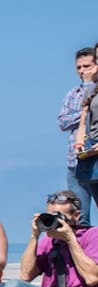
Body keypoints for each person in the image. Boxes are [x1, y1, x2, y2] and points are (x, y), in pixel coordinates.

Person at [59, 48, 97, 225]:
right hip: (74, 160)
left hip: (94, 158)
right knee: (78, 214)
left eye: (87, 66)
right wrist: (82, 113)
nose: (82, 71)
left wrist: (90, 89)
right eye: (79, 67)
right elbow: (63, 122)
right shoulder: (72, 93)